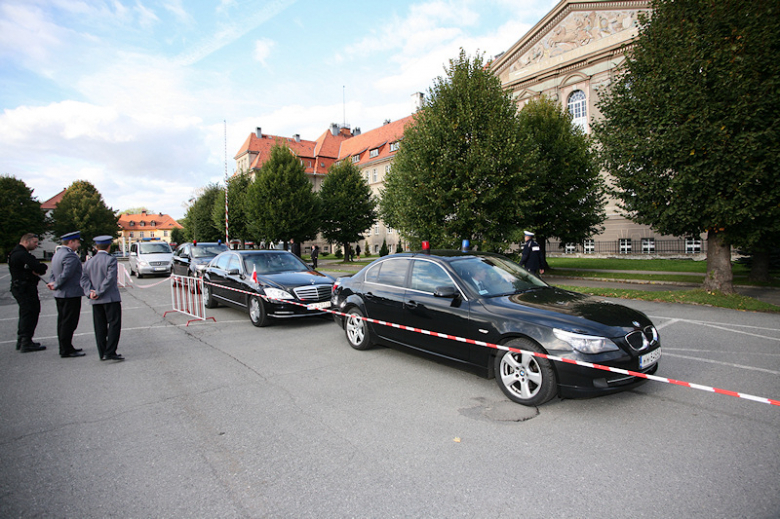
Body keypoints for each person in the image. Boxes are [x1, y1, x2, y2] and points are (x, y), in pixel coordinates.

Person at [81, 235, 124, 362]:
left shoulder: (89, 262)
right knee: (114, 324)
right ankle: (110, 351)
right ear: (109, 246)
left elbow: (83, 279)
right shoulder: (111, 260)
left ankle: (102, 352)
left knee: (99, 326)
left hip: (95, 299)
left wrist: (90, 292)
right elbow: (110, 279)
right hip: (110, 298)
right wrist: (100, 291)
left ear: (96, 247)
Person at [47, 231, 86, 358]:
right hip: (70, 293)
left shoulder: (58, 254)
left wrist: (52, 282)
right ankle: (66, 349)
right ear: (71, 242)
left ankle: (66, 346)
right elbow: (66, 274)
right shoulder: (71, 256)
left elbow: (53, 271)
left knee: (63, 321)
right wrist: (56, 284)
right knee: (69, 322)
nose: (78, 245)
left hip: (60, 294)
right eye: (77, 242)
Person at [8, 233, 47, 352]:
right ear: (26, 241)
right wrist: (37, 269)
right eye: (34, 242)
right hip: (24, 288)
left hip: (20, 287)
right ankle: (26, 341)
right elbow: (40, 267)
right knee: (30, 312)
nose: (36, 245)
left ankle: (22, 339)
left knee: (26, 312)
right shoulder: (22, 254)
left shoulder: (15, 253)